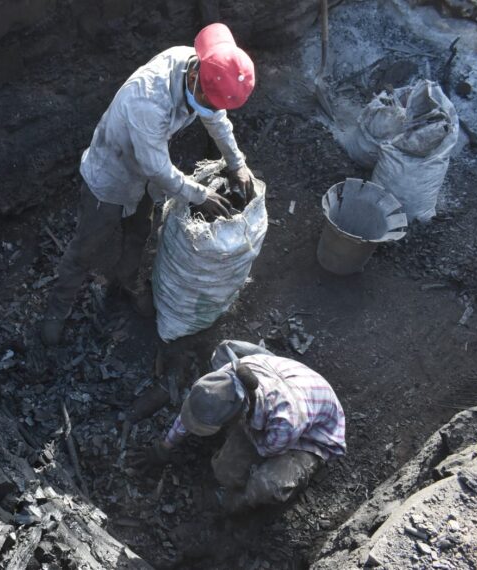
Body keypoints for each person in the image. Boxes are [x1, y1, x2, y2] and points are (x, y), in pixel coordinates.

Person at [41, 23, 256, 346]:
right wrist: (199, 195)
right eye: (210, 102)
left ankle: (125, 283)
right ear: (196, 79)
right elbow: (157, 167)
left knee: (139, 231)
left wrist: (237, 163)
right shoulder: (148, 100)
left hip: (142, 177)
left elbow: (216, 118)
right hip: (111, 175)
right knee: (86, 249)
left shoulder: (199, 70)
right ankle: (57, 308)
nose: (212, 110)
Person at [148, 340, 346, 513]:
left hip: (312, 437)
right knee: (224, 471)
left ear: (237, 416)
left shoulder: (285, 422)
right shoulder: (224, 377)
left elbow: (266, 449)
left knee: (269, 485)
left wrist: (238, 495)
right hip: (286, 399)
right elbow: (195, 409)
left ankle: (237, 504)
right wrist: (166, 446)